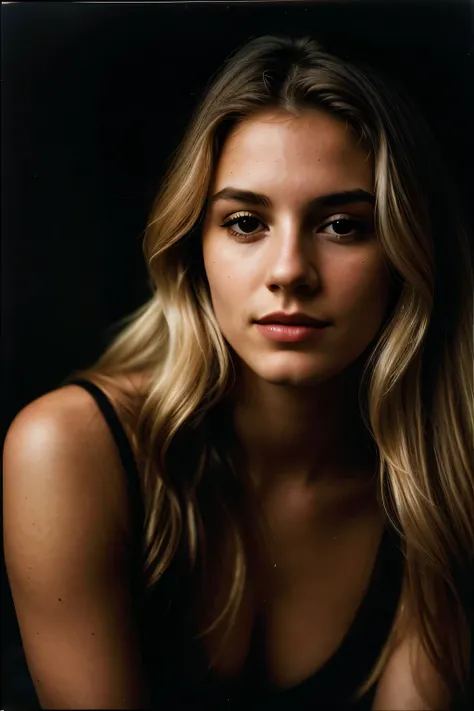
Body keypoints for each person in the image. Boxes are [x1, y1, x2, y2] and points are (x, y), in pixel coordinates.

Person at [3, 34, 473, 710]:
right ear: (195, 248)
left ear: (407, 251)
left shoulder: (440, 470)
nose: (288, 271)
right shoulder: (72, 449)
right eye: (247, 221)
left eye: (342, 225)